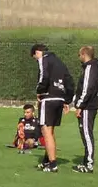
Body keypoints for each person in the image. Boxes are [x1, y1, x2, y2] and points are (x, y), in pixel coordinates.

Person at [31, 44, 74, 173]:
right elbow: (69, 81)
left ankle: (53, 164)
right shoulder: (60, 62)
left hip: (48, 97)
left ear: (37, 52)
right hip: (60, 98)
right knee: (50, 130)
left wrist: (39, 91)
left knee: (45, 130)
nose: (36, 60)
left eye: (35, 57)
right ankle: (47, 160)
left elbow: (43, 76)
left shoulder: (44, 59)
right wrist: (67, 100)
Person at [73, 46, 98, 173]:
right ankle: (86, 161)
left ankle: (89, 164)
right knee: (85, 133)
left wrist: (80, 105)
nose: (79, 58)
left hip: (88, 107)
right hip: (90, 105)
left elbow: (87, 89)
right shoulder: (93, 67)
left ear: (84, 54)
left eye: (79, 55)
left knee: (86, 133)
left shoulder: (90, 68)